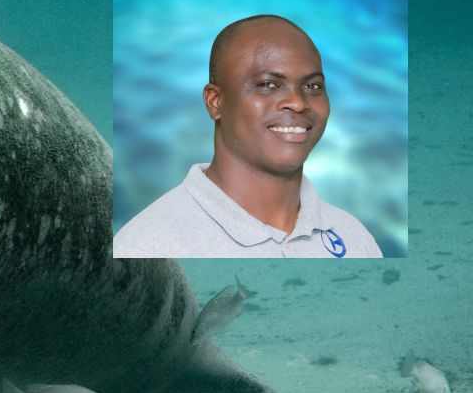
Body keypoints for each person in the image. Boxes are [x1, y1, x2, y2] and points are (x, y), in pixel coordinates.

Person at [114, 14, 382, 258]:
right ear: (215, 102)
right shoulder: (147, 246)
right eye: (268, 85)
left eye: (312, 86)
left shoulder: (354, 238)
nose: (298, 102)